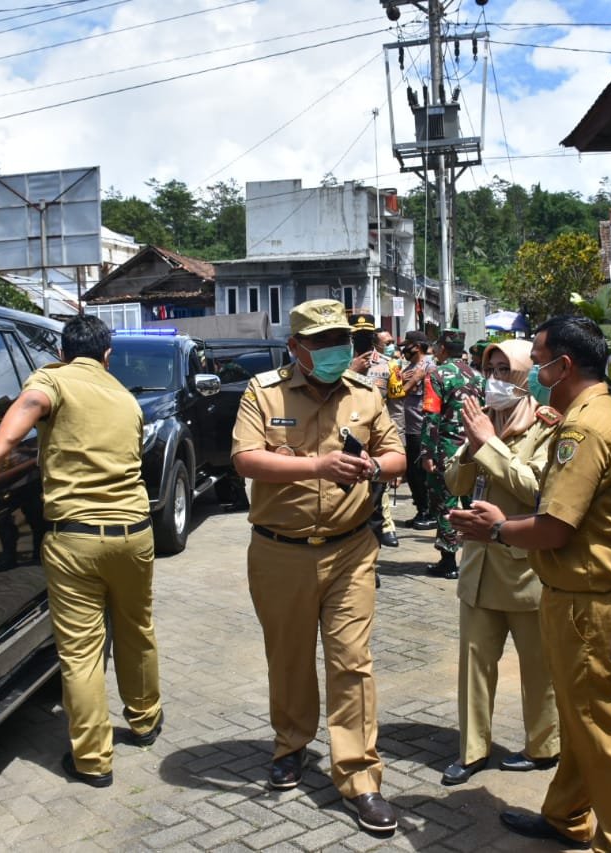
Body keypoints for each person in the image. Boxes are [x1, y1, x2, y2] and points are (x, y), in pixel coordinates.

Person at [450, 315, 611, 852]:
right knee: (581, 719)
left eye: (537, 363)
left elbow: (554, 526)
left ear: (563, 366)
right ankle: (567, 814)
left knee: (606, 732)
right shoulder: (602, 415)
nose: (533, 375)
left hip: (590, 602)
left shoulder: (583, 428)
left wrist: (496, 529)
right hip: (583, 595)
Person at [0, 314, 162, 790]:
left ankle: (92, 761)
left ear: (63, 353)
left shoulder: (54, 378)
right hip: (135, 534)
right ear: (107, 356)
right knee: (136, 629)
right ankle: (146, 720)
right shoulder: (125, 398)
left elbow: (31, 403)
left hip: (76, 539)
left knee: (82, 650)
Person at [231, 298, 407, 833]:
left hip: (350, 549)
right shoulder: (263, 391)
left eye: (342, 341)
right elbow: (245, 459)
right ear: (295, 347)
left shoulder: (366, 393)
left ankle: (359, 775)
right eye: (323, 342)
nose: (337, 350)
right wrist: (317, 466)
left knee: (352, 661)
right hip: (279, 550)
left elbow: (396, 455)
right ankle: (291, 745)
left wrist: (373, 466)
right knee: (288, 657)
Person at [439, 339, 561, 786]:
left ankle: (544, 746)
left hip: (524, 569)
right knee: (474, 665)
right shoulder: (484, 419)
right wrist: (472, 446)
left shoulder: (547, 427)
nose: (493, 379)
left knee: (539, 667)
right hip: (479, 566)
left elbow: (537, 490)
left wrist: (490, 444)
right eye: (489, 369)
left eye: (504, 370)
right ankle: (473, 750)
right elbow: (455, 482)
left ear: (525, 375)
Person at [420, 328, 484, 579]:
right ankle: (476, 558)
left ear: (443, 349)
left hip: (446, 449)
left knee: (445, 503)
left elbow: (431, 416)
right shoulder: (478, 377)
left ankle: (448, 561)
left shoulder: (436, 375)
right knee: (473, 502)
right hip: (475, 447)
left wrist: (426, 452)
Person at [351, 316, 400, 549]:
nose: (362, 340)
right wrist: (351, 371)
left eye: (366, 335)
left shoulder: (389, 365)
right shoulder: (339, 365)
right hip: (347, 438)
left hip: (377, 439)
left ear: (373, 338)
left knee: (377, 496)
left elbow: (397, 407)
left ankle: (376, 544)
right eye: (357, 336)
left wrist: (397, 445)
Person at [400, 330, 434, 530]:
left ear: (418, 346)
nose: (405, 349)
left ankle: (428, 511)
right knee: (413, 473)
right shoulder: (409, 368)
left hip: (422, 427)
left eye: (408, 345)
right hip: (410, 427)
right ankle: (421, 509)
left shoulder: (429, 367)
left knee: (421, 473)